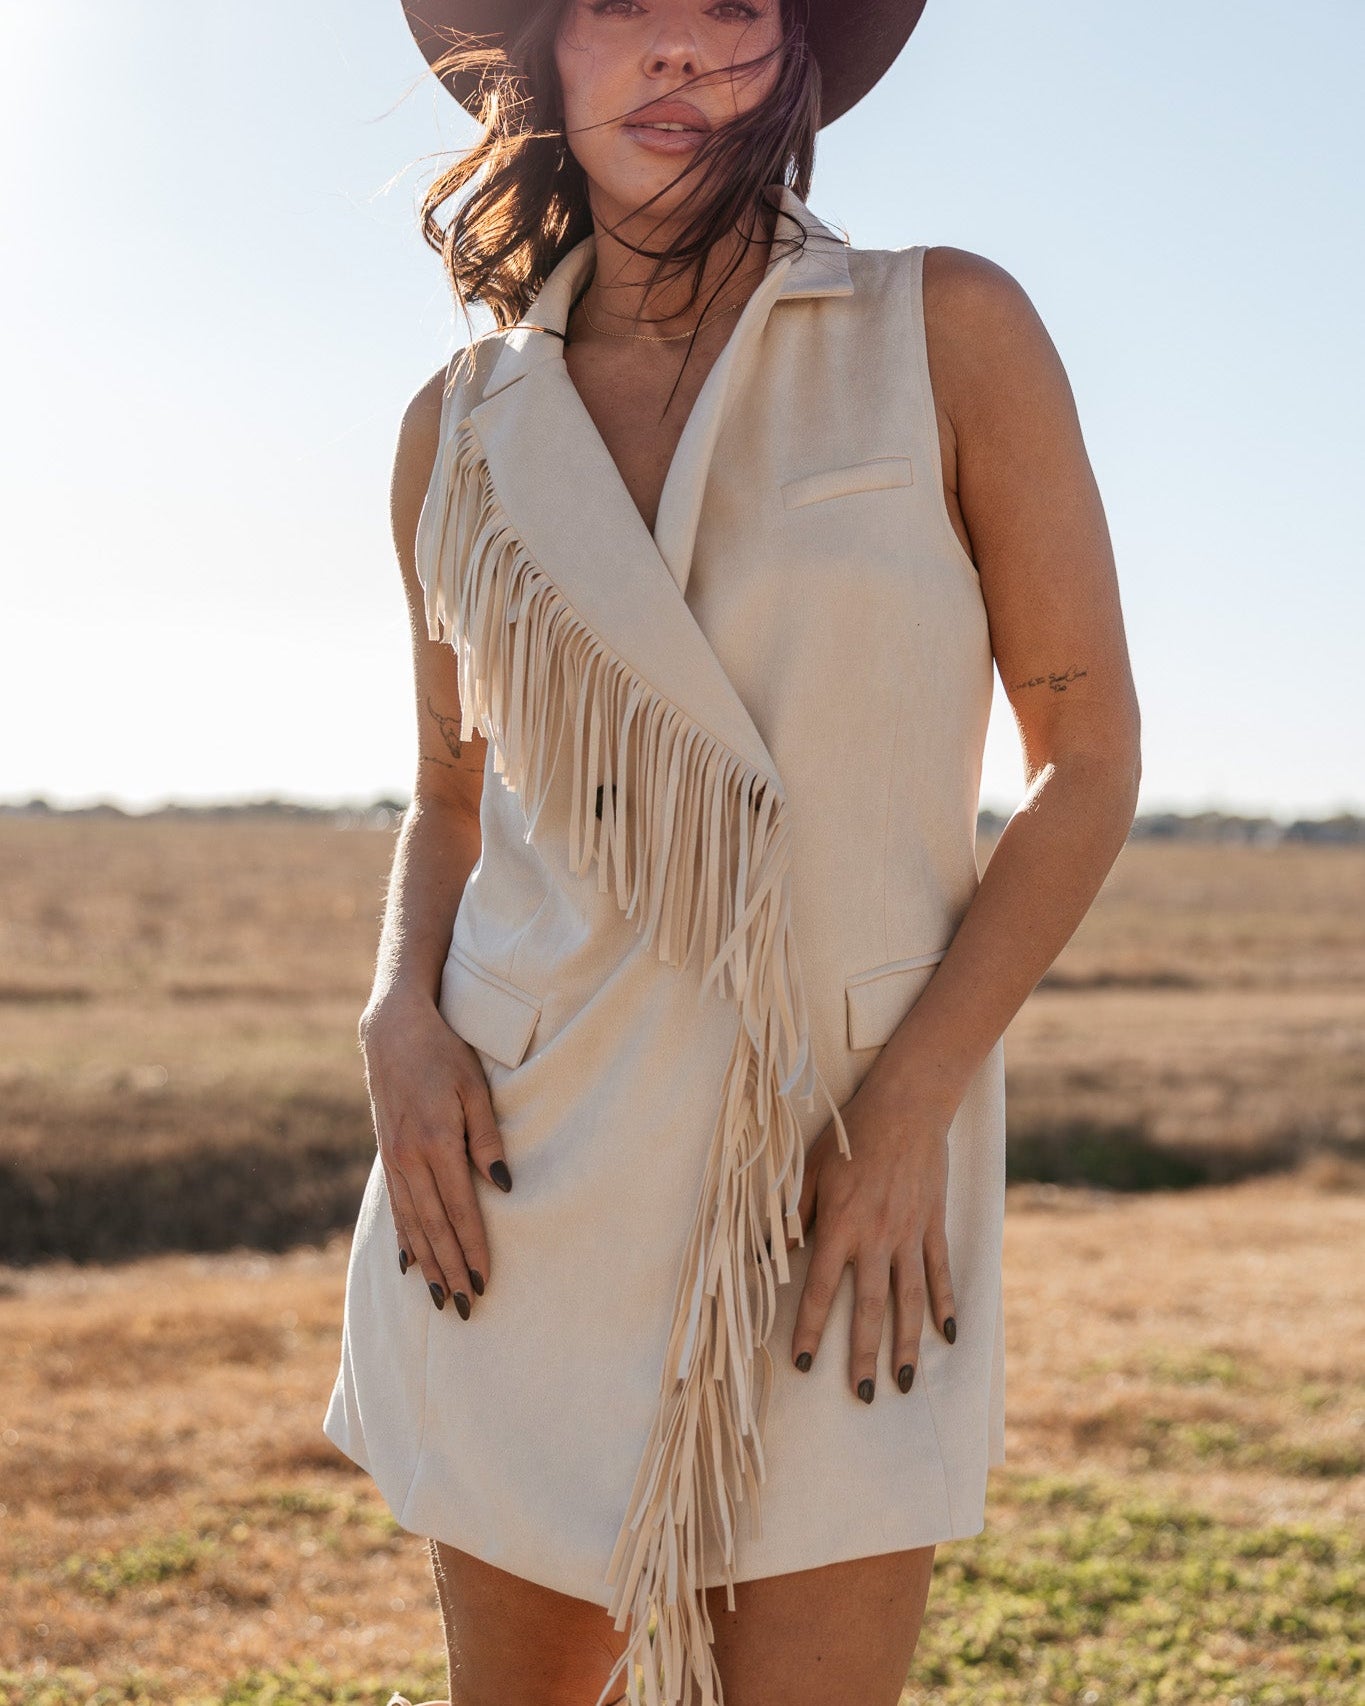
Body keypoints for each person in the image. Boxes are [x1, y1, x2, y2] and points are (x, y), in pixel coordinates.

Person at [322, 2, 1143, 1703]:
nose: (677, 55)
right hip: (521, 1177)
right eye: (621, 7)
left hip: (847, 1178)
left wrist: (911, 1101)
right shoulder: (457, 427)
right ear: (540, 58)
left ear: (793, 58)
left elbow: (1085, 755)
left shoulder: (945, 327)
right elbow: (448, 794)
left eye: (733, 10)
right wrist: (397, 1014)